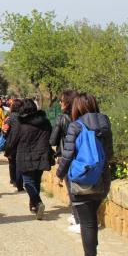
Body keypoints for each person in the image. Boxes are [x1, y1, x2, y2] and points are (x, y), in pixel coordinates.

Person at [56, 93, 113, 256]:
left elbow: (67, 156)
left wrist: (59, 174)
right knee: (92, 218)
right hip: (102, 179)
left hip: (83, 179)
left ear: (77, 107)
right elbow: (109, 153)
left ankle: (90, 253)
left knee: (87, 222)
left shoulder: (76, 126)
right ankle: (92, 249)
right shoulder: (105, 122)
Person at [5, 99, 54, 220]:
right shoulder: (45, 122)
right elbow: (51, 137)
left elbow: (13, 139)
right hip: (42, 155)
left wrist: (8, 150)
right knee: (36, 181)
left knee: (27, 182)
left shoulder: (20, 123)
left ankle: (37, 202)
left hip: (25, 156)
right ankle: (34, 205)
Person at [49, 89, 79, 233]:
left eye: (61, 100)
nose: (60, 103)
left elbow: (53, 139)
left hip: (67, 155)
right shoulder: (82, 117)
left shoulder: (61, 118)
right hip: (81, 156)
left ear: (67, 103)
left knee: (71, 186)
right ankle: (78, 215)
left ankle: (77, 217)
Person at [3, 99, 24, 191]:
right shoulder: (24, 117)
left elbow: (5, 130)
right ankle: (19, 183)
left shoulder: (10, 118)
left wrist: (5, 134)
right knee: (19, 163)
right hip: (22, 142)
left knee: (12, 162)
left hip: (11, 143)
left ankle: (13, 180)